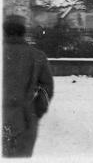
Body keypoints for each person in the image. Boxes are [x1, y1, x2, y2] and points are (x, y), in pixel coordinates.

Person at [2, 15, 54, 157]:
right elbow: (46, 88)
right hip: (24, 120)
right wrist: (36, 111)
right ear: (23, 31)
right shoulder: (37, 56)